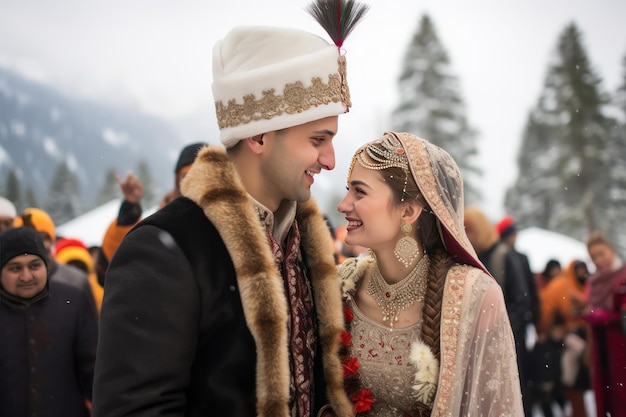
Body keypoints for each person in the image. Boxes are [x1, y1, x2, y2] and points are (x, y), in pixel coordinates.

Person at [92, 2, 368, 416]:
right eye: (317, 139)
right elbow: (135, 408)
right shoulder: (165, 249)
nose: (330, 161)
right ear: (258, 135)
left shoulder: (307, 244)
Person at [336, 131, 523, 416]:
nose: (343, 205)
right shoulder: (340, 286)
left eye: (359, 191)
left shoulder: (475, 296)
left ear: (409, 211)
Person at [0, 226, 98, 417]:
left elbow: (95, 370)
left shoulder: (73, 301)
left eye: (34, 265)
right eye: (15, 268)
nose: (26, 276)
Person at [95, 143, 208, 286]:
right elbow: (109, 271)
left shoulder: (229, 219)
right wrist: (129, 211)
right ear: (176, 181)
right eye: (187, 175)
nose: (193, 182)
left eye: (202, 175)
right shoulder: (163, 223)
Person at [463, 206, 535, 417]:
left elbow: (521, 300)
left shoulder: (503, 255)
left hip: (508, 338)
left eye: (471, 230)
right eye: (463, 229)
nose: (467, 235)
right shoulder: (471, 257)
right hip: (479, 342)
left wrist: (496, 327)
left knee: (512, 390)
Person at [13, 207, 99, 315]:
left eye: (42, 237)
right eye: (28, 238)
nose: (36, 244)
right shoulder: (9, 283)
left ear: (51, 240)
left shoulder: (74, 280)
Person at [537, 260, 591, 417]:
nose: (582, 274)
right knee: (572, 382)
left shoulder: (589, 286)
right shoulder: (561, 287)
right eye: (578, 271)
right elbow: (547, 312)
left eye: (583, 270)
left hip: (589, 338)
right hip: (569, 341)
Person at [583, 231, 626, 417]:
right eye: (593, 257)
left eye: (601, 254)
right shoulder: (594, 281)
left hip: (620, 347)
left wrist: (608, 317)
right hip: (601, 347)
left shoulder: (622, 276)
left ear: (611, 250)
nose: (598, 260)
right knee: (606, 396)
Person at [55, 236, 104, 313]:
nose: (76, 272)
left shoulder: (100, 285)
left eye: (80, 266)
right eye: (71, 267)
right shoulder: (58, 296)